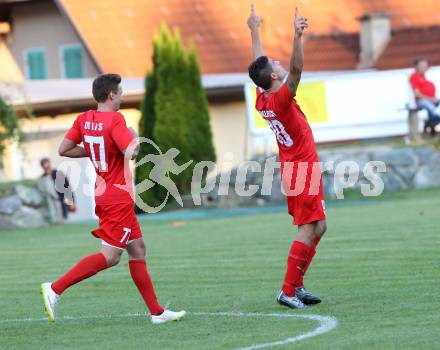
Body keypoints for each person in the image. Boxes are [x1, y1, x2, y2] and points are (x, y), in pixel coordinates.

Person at [40, 73, 186, 324]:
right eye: (120, 93)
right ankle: (55, 288)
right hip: (118, 196)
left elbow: (63, 149)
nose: (122, 96)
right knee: (110, 257)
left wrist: (96, 150)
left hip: (104, 192)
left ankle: (157, 313)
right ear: (111, 95)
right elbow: (132, 152)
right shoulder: (117, 120)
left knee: (138, 249)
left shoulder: (84, 119)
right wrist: (134, 134)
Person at [247, 5, 326, 309]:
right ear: (276, 74)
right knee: (309, 228)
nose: (278, 61)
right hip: (301, 170)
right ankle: (287, 290)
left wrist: (254, 30)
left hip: (296, 168)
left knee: (319, 227)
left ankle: (297, 284)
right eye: (275, 63)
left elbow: (259, 65)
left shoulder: (263, 96)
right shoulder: (280, 97)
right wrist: (297, 36)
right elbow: (297, 71)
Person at [38, 158, 75, 222]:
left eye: (48, 166)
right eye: (45, 167)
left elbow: (67, 188)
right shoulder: (42, 178)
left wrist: (71, 203)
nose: (47, 169)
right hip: (50, 203)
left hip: (61, 201)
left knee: (63, 219)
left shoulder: (58, 174)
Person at [409, 58, 440, 136]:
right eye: (422, 65)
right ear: (417, 66)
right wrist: (431, 99)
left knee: (432, 111)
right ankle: (432, 125)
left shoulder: (424, 76)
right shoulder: (414, 76)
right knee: (432, 110)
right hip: (421, 100)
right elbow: (417, 94)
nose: (425, 67)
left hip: (430, 100)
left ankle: (430, 127)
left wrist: (434, 98)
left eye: (425, 65)